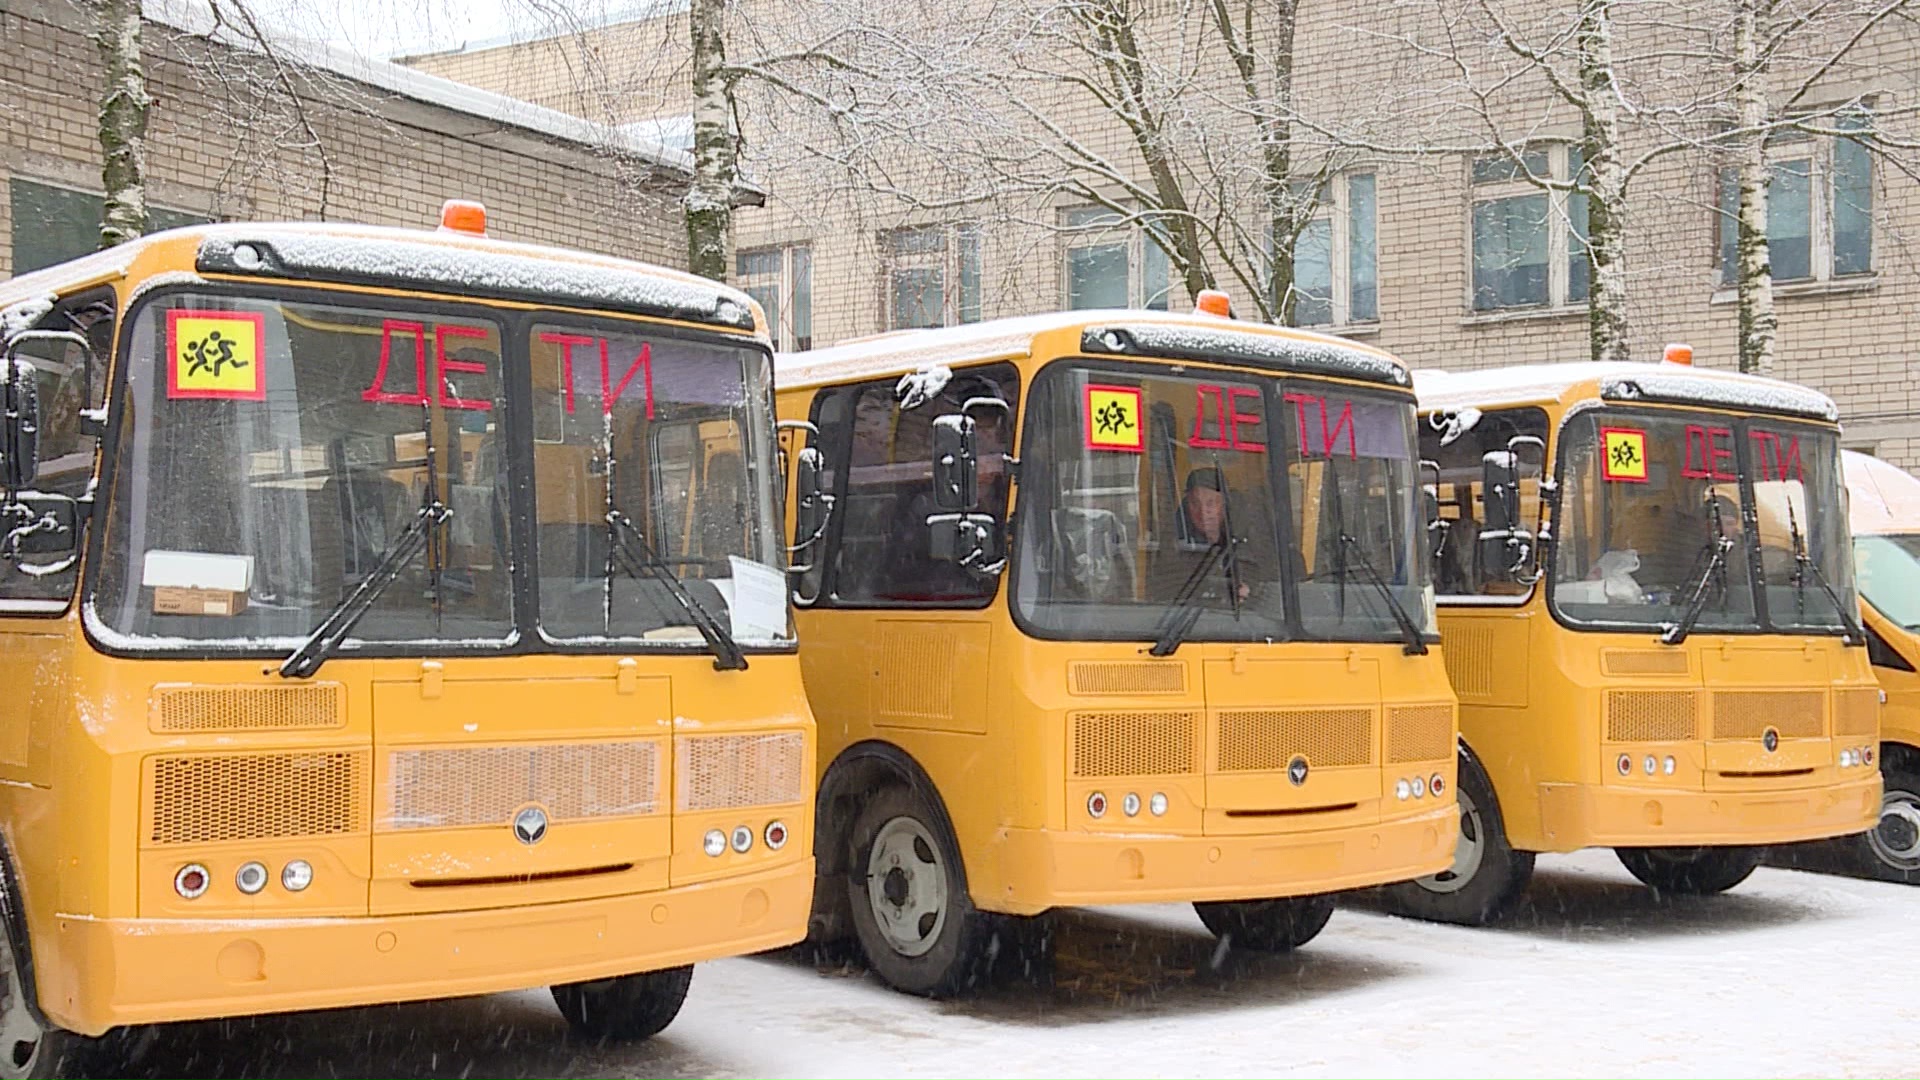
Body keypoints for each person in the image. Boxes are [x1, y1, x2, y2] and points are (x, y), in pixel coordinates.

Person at [1149, 467, 1254, 603]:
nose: (1203, 512)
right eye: (1195, 503)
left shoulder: (1251, 543)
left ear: (1225, 505)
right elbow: (1163, 591)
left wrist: (1249, 591)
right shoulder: (1174, 546)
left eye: (1211, 503)